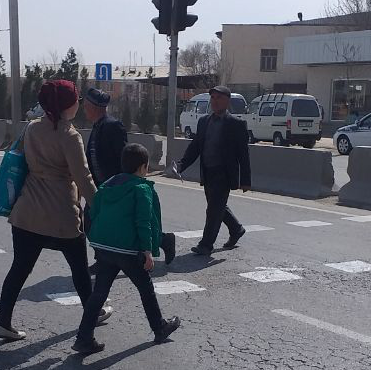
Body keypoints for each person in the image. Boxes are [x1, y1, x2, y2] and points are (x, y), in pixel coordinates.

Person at [0, 79, 110, 341]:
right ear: (67, 105)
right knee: (79, 268)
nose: (78, 104)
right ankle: (93, 312)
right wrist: (100, 206)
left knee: (19, 269)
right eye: (76, 100)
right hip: (61, 214)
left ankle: (3, 322)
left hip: (27, 212)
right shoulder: (70, 135)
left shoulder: (32, 128)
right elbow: (83, 177)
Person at [74, 143, 181, 354]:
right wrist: (147, 251)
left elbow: (94, 212)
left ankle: (83, 337)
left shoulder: (107, 185)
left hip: (105, 248)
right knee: (146, 289)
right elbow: (144, 222)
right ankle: (159, 327)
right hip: (129, 251)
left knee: (99, 294)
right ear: (143, 167)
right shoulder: (141, 189)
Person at [83, 86, 176, 269]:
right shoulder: (97, 126)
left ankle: (163, 240)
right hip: (101, 187)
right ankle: (103, 258)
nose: (84, 109)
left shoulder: (112, 126)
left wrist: (125, 184)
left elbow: (124, 157)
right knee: (92, 222)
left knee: (127, 223)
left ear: (94, 107)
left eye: (86, 106)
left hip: (116, 187)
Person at [176, 83, 251, 256]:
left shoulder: (236, 124)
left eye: (219, 98)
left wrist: (246, 180)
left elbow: (243, 154)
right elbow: (195, 147)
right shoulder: (203, 122)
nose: (215, 101)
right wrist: (181, 165)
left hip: (224, 174)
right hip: (208, 171)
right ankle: (236, 229)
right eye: (213, 98)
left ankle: (206, 244)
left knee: (213, 210)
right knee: (217, 206)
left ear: (227, 101)